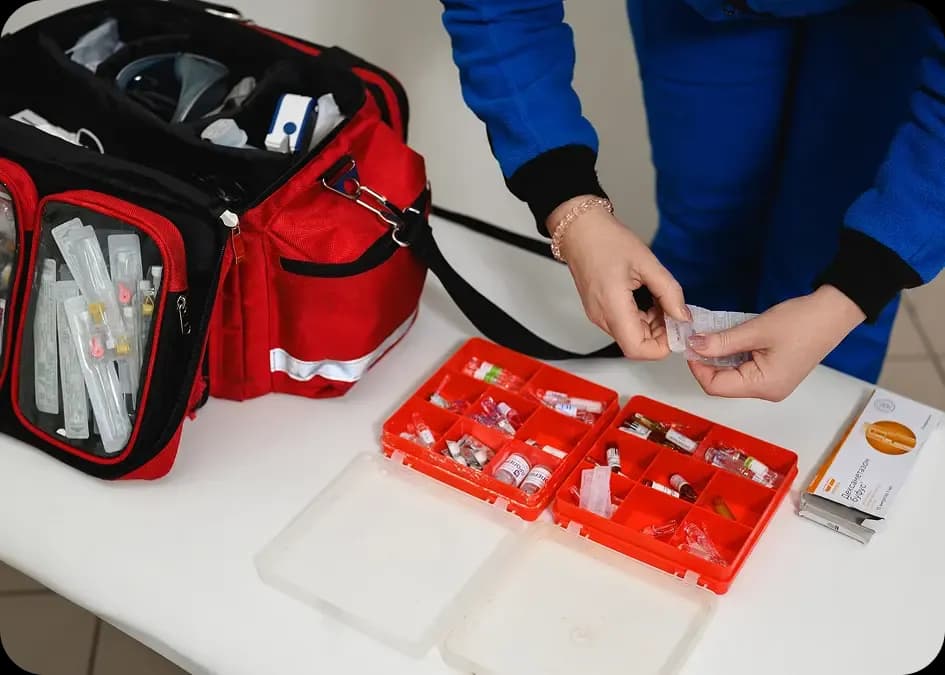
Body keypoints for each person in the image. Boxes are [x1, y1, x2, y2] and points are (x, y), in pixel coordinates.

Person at [438, 0, 945, 401]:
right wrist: (571, 208)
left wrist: (852, 294)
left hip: (894, 20)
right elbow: (498, 10)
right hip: (702, 11)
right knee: (704, 244)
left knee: (823, 281)